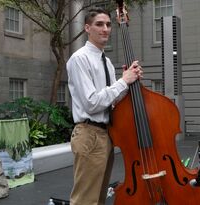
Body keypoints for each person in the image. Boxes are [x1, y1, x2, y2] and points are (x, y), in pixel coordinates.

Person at [66, 8, 142, 205]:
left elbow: (111, 102)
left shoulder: (106, 62)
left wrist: (128, 83)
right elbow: (92, 103)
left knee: (98, 199)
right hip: (89, 133)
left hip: (105, 135)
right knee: (85, 200)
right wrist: (123, 82)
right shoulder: (79, 59)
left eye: (108, 24)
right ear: (87, 28)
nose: (105, 29)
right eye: (99, 24)